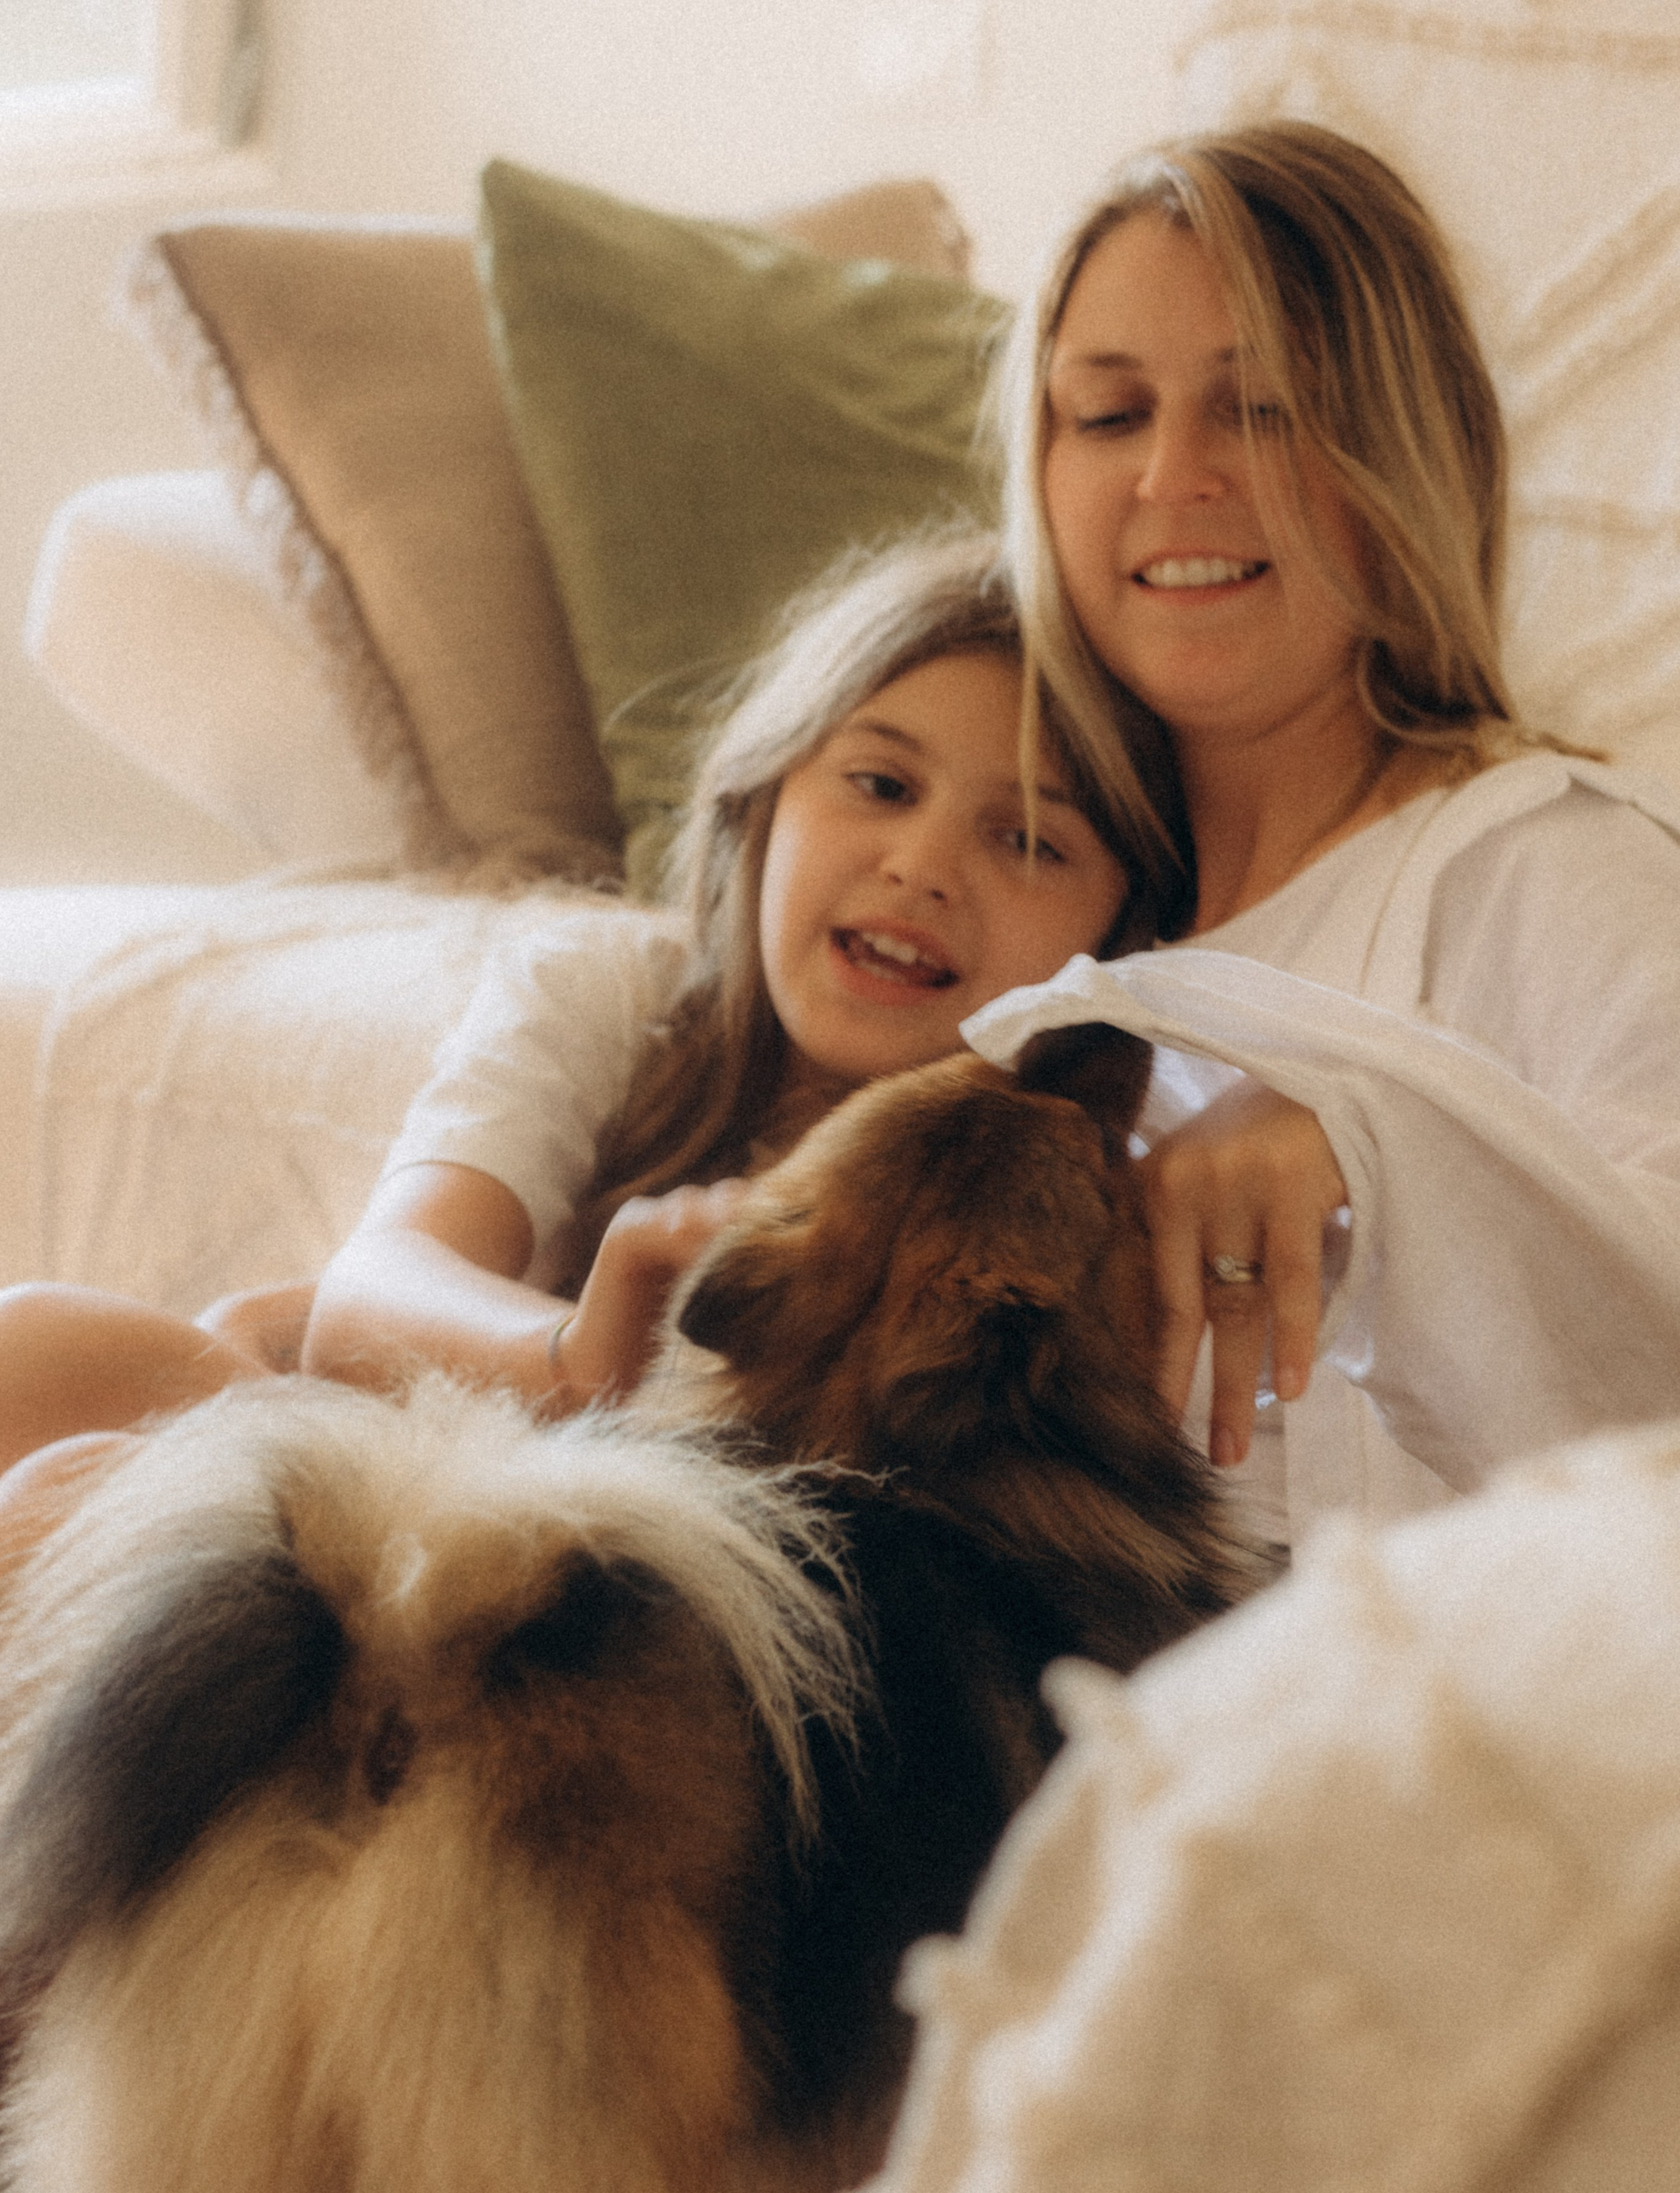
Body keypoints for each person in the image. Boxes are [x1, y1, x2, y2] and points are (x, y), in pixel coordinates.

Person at [0, 534, 1144, 1537]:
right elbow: (376, 1290)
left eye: (1032, 842)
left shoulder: (1066, 1204)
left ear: (1122, 937)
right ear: (764, 797)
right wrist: (582, 1350)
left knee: (70, 1489)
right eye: (881, 783)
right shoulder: (621, 987)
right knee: (42, 1350)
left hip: (586, 1608)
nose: (922, 866)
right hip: (417, 1474)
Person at [963, 118, 1680, 1549]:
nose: (1174, 476)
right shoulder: (1052, 926)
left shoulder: (1543, 863)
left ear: (1404, 452)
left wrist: (1381, 1139)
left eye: (1265, 407)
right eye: (1108, 415)